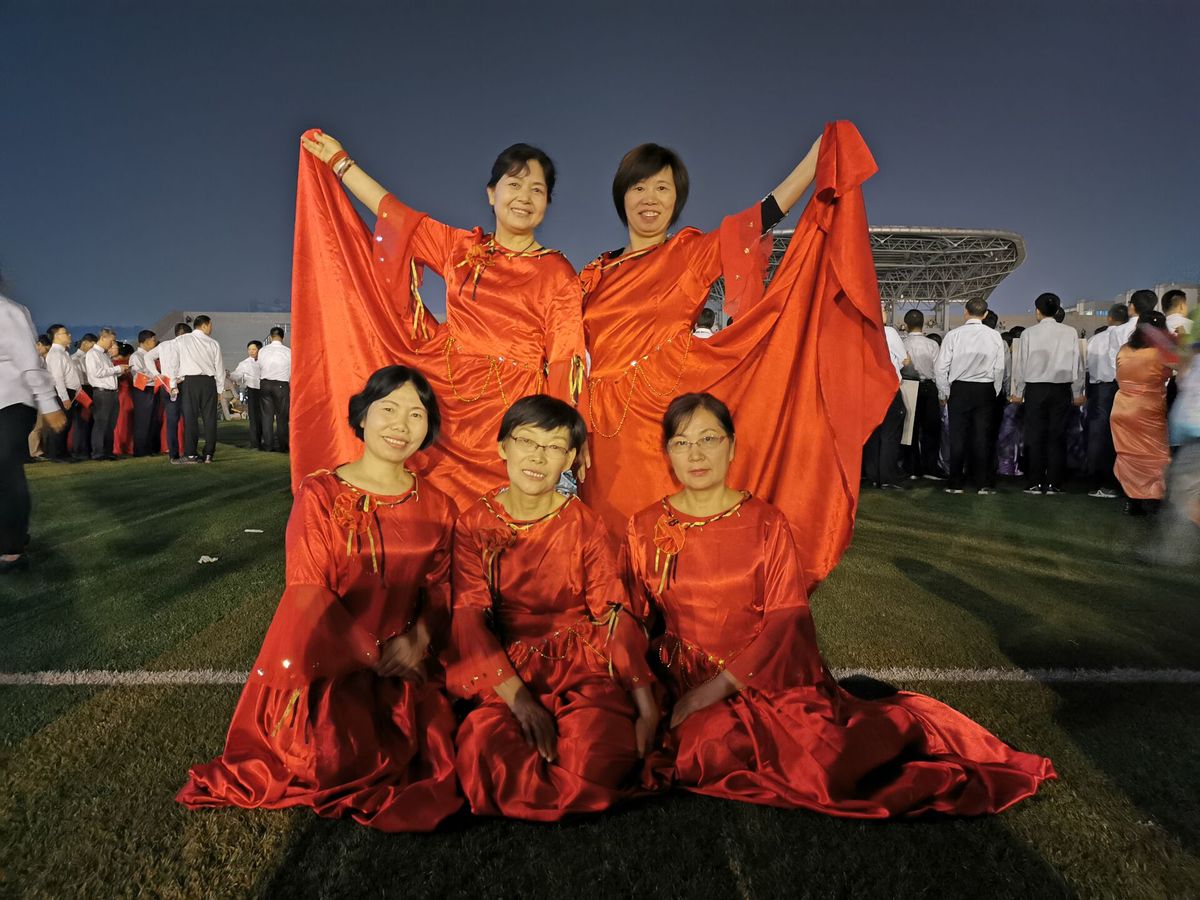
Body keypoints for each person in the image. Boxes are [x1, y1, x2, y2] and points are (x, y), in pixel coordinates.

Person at [625, 393, 1054, 816]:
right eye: (681, 442)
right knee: (662, 743)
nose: (696, 454)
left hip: (764, 679)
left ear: (732, 446)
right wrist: (645, 700)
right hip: (678, 678)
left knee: (812, 767)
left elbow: (784, 623)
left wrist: (711, 693)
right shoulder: (644, 526)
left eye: (709, 439)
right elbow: (630, 619)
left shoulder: (765, 522)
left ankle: (906, 728)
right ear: (667, 453)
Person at [578, 123, 896, 591]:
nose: (650, 198)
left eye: (662, 188)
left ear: (677, 199)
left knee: (666, 544)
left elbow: (759, 217)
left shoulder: (690, 253)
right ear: (621, 195)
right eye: (639, 187)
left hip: (661, 425)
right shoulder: (594, 273)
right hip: (599, 432)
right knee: (607, 550)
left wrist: (814, 160)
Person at [179, 366, 462, 831]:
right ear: (363, 417)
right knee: (330, 759)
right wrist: (372, 654)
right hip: (326, 668)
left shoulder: (438, 506)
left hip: (405, 664)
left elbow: (440, 589)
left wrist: (417, 641)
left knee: (440, 749)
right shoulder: (321, 493)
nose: (401, 425)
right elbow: (308, 590)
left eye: (416, 414)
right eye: (389, 409)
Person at [294, 133, 585, 510]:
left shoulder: (558, 273)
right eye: (514, 185)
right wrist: (340, 163)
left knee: (500, 519)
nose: (524, 198)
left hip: (511, 414)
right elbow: (395, 215)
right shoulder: (460, 248)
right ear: (491, 193)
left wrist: (561, 438)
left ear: (547, 202)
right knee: (432, 508)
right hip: (446, 402)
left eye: (537, 190)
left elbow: (564, 360)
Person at [448, 395, 661, 821]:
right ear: (502, 446)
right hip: (506, 666)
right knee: (481, 751)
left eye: (554, 447)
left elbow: (612, 614)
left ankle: (569, 769)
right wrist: (521, 703)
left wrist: (646, 704)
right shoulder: (473, 524)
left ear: (569, 459)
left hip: (581, 663)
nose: (538, 456)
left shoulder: (584, 523)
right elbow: (470, 617)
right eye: (527, 441)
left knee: (594, 755)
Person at [1, 293, 67, 573]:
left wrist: (48, 403)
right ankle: (10, 532)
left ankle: (13, 549)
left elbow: (29, 361)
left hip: (13, 401)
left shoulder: (7, 311)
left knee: (6, 470)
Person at [1010, 293, 1085, 495]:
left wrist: (1018, 392)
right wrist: (1077, 391)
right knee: (1057, 436)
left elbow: (1021, 365)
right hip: (1061, 388)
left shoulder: (1028, 333)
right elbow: (1076, 364)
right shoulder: (1070, 332)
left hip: (1036, 389)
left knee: (1035, 436)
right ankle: (1054, 483)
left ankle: (1034, 482)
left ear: (1038, 311)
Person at [934, 299, 1006, 494]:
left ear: (965, 312)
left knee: (957, 437)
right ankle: (982, 482)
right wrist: (995, 390)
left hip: (960, 389)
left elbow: (941, 367)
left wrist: (945, 391)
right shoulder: (994, 336)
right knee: (982, 437)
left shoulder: (953, 335)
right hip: (985, 388)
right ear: (985, 314)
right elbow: (999, 368)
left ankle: (955, 483)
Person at [1112, 312, 1173, 516]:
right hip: (1149, 407)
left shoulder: (1124, 349)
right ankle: (1153, 497)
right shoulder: (1161, 352)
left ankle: (1132, 500)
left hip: (1122, 408)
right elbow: (1168, 374)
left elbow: (1118, 373)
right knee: (1154, 453)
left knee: (1128, 454)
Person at [1085, 305, 1128, 498]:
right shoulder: (1129, 336)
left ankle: (1095, 479)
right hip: (1122, 387)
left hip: (1100, 388)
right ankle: (1117, 480)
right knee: (1120, 434)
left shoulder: (1095, 339)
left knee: (1097, 434)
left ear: (1109, 318)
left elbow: (1086, 367)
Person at [862, 323, 907, 488]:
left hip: (867, 387)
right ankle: (887, 476)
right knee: (890, 433)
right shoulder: (888, 332)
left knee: (872, 432)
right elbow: (905, 359)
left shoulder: (861, 331)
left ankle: (873, 474)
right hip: (888, 387)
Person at [174, 315, 222, 463]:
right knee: (210, 419)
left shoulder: (181, 340)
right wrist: (220, 389)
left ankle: (190, 454)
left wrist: (174, 380)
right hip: (209, 382)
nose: (212, 328)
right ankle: (208, 454)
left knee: (190, 419)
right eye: (211, 325)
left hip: (190, 382)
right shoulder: (213, 343)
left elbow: (174, 361)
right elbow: (219, 367)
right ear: (205, 325)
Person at [900, 310, 942, 479]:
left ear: (906, 324)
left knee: (910, 429)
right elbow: (938, 370)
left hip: (908, 385)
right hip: (929, 387)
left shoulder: (902, 343)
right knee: (931, 429)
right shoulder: (932, 344)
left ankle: (912, 467)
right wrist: (942, 393)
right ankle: (930, 467)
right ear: (923, 323)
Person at [147, 322, 190, 463]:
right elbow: (173, 367)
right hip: (176, 385)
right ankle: (180, 453)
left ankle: (176, 453)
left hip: (167, 385)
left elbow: (148, 357)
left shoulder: (164, 345)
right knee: (181, 419)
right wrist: (161, 377)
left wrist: (157, 374)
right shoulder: (178, 346)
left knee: (173, 421)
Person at [84, 328, 128, 461]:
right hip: (102, 393)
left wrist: (119, 371)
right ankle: (98, 453)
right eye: (112, 340)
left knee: (110, 424)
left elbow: (107, 373)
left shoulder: (104, 355)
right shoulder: (92, 354)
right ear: (103, 338)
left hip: (112, 392)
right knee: (101, 423)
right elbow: (96, 373)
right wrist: (117, 369)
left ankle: (108, 451)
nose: (113, 343)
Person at [43, 324, 82, 463]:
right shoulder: (55, 354)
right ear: (57, 336)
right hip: (62, 392)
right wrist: (64, 397)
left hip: (69, 392)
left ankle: (63, 453)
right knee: (61, 424)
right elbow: (57, 378)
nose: (69, 335)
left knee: (67, 424)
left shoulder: (63, 353)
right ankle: (56, 454)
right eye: (66, 333)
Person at [127, 330, 161, 457]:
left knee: (152, 419)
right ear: (146, 341)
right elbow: (139, 374)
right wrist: (156, 376)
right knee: (143, 420)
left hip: (153, 388)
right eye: (153, 340)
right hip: (143, 390)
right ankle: (140, 449)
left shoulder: (151, 356)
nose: (155, 342)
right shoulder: (136, 356)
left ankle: (149, 447)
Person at [257, 327, 291, 452]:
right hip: (281, 384)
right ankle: (283, 445)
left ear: (271, 337)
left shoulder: (263, 351)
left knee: (267, 416)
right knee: (282, 417)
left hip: (265, 383)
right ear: (283, 337)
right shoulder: (288, 351)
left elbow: (260, 366)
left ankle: (268, 445)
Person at [232, 340, 264, 450]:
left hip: (265, 390)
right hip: (253, 391)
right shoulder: (244, 363)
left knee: (266, 417)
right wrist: (229, 375)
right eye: (249, 349)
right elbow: (237, 374)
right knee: (254, 418)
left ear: (259, 350)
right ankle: (255, 443)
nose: (251, 351)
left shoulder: (265, 361)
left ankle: (267, 440)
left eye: (254, 349)